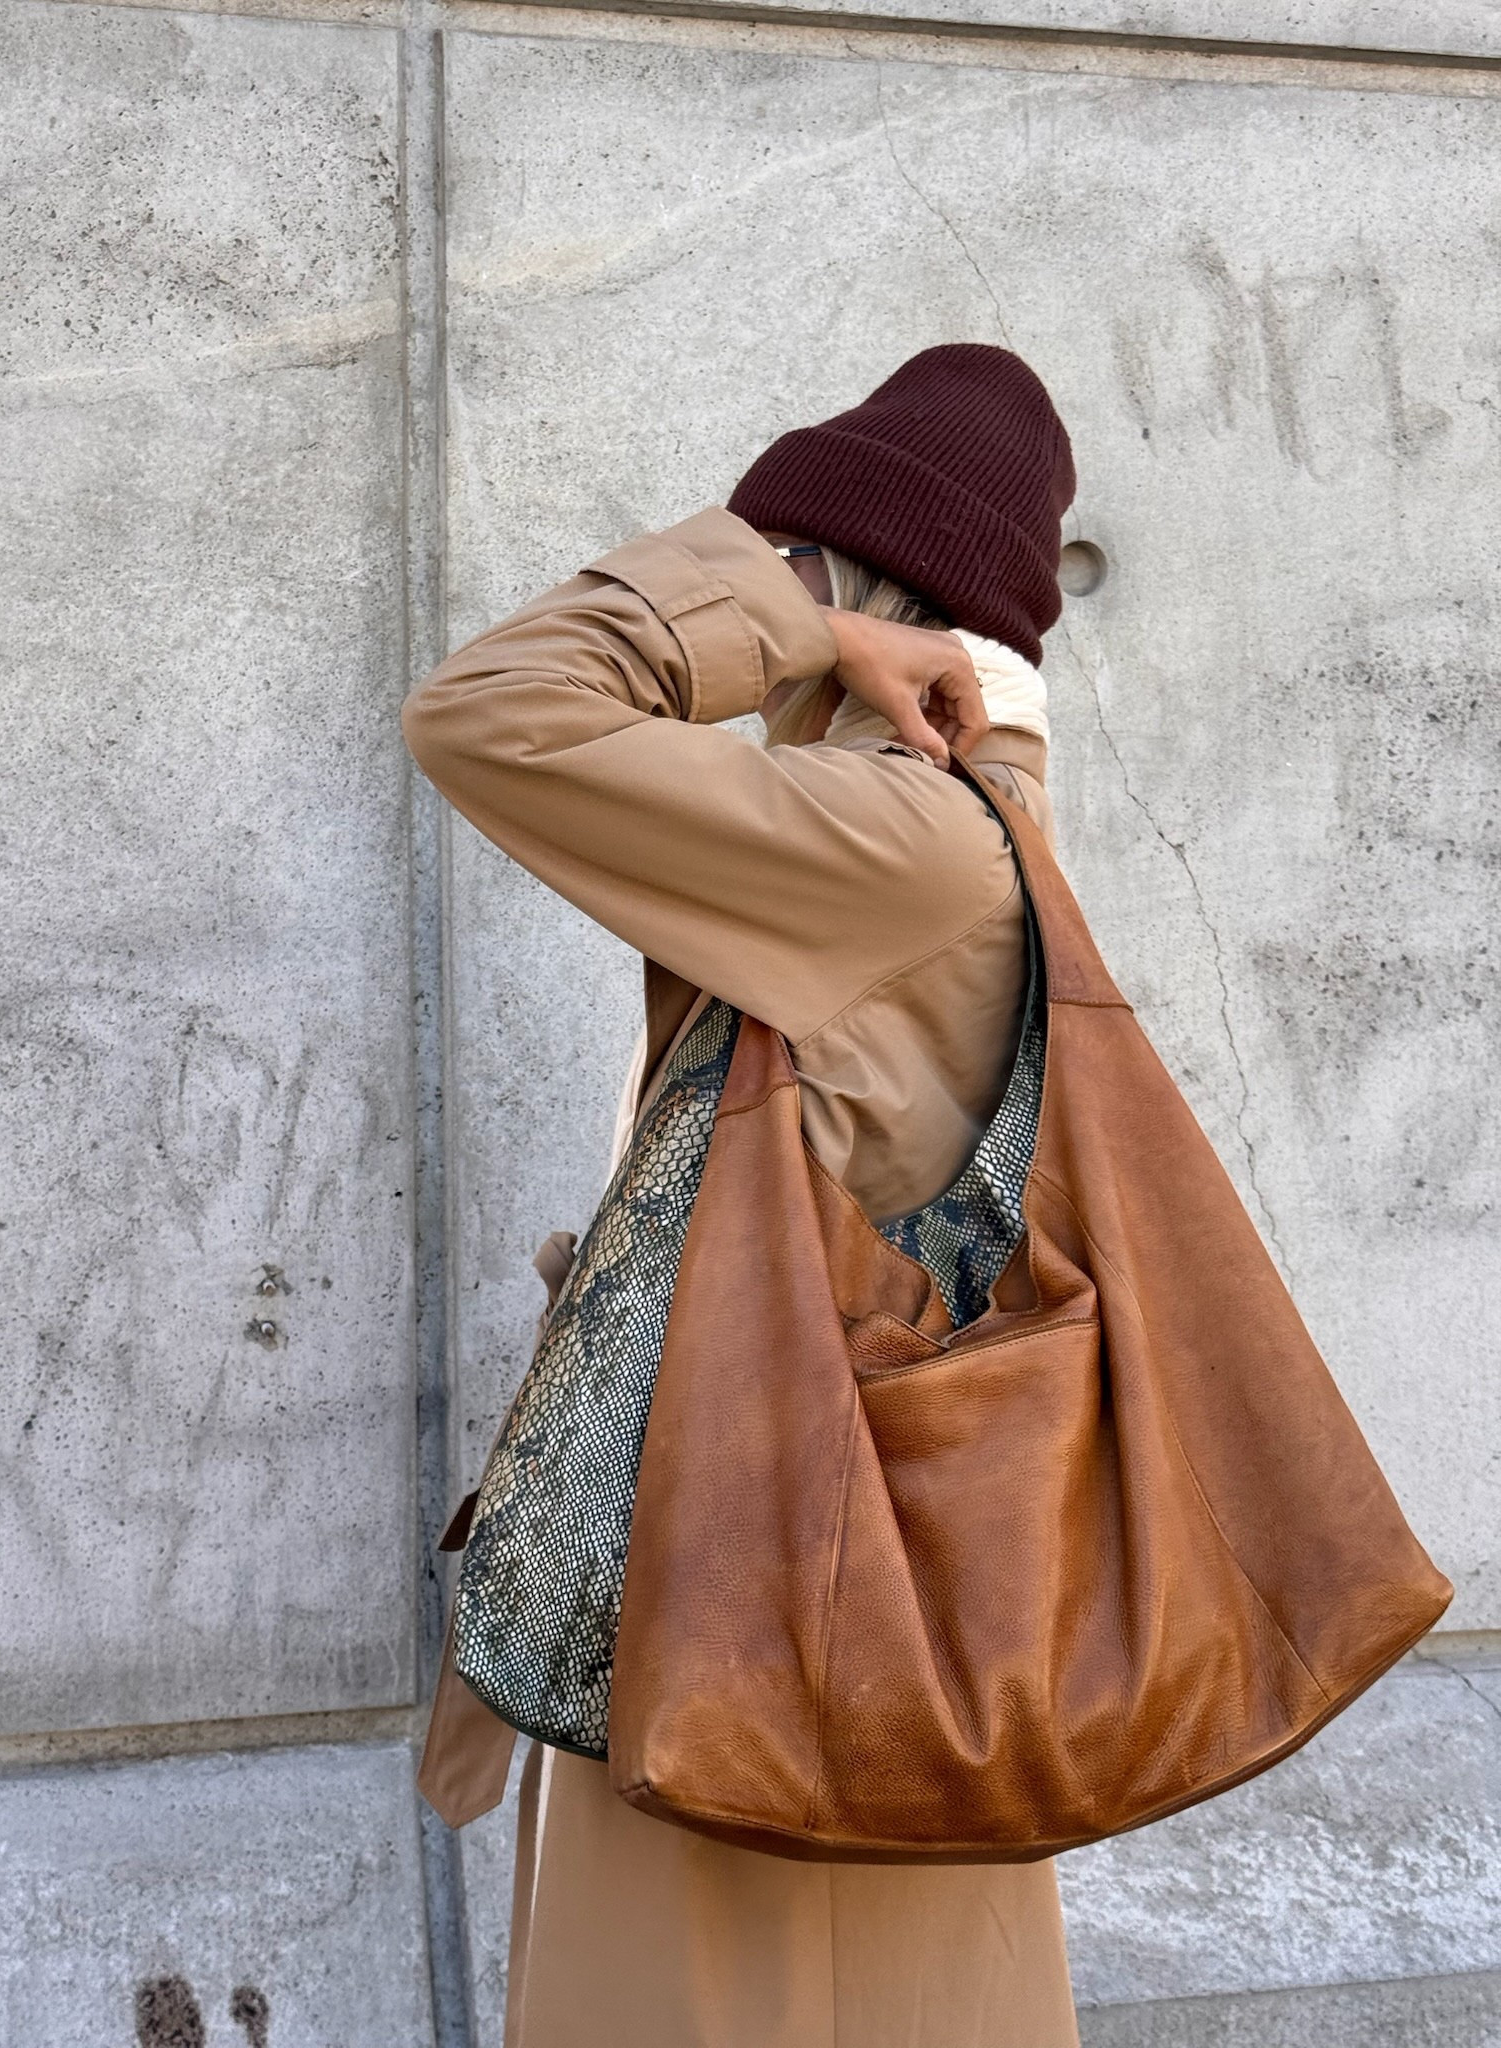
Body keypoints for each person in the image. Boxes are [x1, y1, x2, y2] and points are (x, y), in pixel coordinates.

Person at [402, 343, 1082, 2048]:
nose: (773, 615)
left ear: (874, 587)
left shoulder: (898, 838)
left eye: (804, 559)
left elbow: (487, 710)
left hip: (767, 1612)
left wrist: (784, 604)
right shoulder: (928, 832)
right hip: (796, 1586)